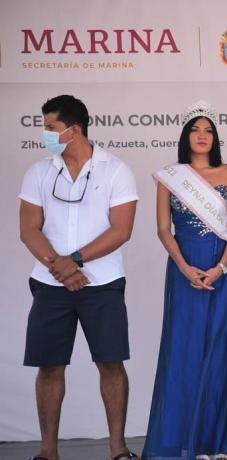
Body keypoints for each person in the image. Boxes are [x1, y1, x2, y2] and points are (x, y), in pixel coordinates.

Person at [19, 95, 139, 460]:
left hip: (101, 284)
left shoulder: (116, 170)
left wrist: (75, 261)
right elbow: (29, 229)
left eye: (52, 128)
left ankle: (117, 450)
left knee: (110, 363)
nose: (46, 135)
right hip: (50, 284)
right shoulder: (39, 172)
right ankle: (47, 452)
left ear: (75, 130)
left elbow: (121, 230)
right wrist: (61, 268)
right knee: (50, 365)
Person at [143, 101, 227, 460]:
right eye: (195, 130)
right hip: (183, 270)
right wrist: (185, 267)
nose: (202, 136)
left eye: (208, 131)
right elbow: (162, 228)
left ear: (215, 138)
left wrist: (221, 267)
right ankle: (182, 442)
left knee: (221, 351)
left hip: (223, 270)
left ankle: (216, 444)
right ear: (185, 136)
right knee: (183, 351)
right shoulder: (170, 176)